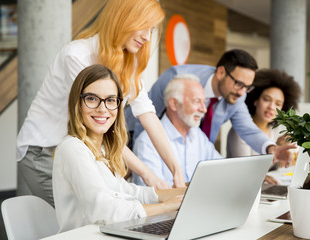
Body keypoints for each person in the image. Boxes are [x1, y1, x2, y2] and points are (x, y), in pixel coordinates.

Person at [16, 0, 186, 206]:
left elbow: (148, 115)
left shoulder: (128, 63)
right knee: (89, 217)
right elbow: (97, 123)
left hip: (80, 150)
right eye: (143, 26)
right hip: (43, 150)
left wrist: (176, 170)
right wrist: (146, 173)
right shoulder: (77, 55)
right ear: (123, 18)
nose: (147, 37)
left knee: (104, 213)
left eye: (151, 30)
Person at [52, 64, 186, 232]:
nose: (102, 109)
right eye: (92, 98)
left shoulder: (103, 149)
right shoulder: (72, 149)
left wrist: (181, 193)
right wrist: (166, 206)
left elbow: (126, 191)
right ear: (77, 103)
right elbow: (105, 210)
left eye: (110, 100)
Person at [126, 49, 295, 166]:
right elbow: (146, 116)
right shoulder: (177, 78)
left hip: (191, 150)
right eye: (239, 84)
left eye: (247, 87)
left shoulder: (238, 95)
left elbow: (248, 129)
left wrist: (271, 148)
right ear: (221, 72)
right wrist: (139, 156)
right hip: (133, 134)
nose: (242, 92)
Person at [132, 74, 222, 186]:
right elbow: (155, 195)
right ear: (174, 104)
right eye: (196, 101)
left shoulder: (199, 136)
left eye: (204, 102)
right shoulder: (147, 142)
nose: (203, 109)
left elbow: (222, 170)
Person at [227, 69, 301, 183]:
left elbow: (276, 169)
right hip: (238, 185)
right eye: (266, 99)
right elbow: (245, 171)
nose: (271, 107)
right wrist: (275, 148)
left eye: (278, 104)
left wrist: (284, 158)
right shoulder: (240, 132)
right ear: (255, 100)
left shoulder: (277, 131)